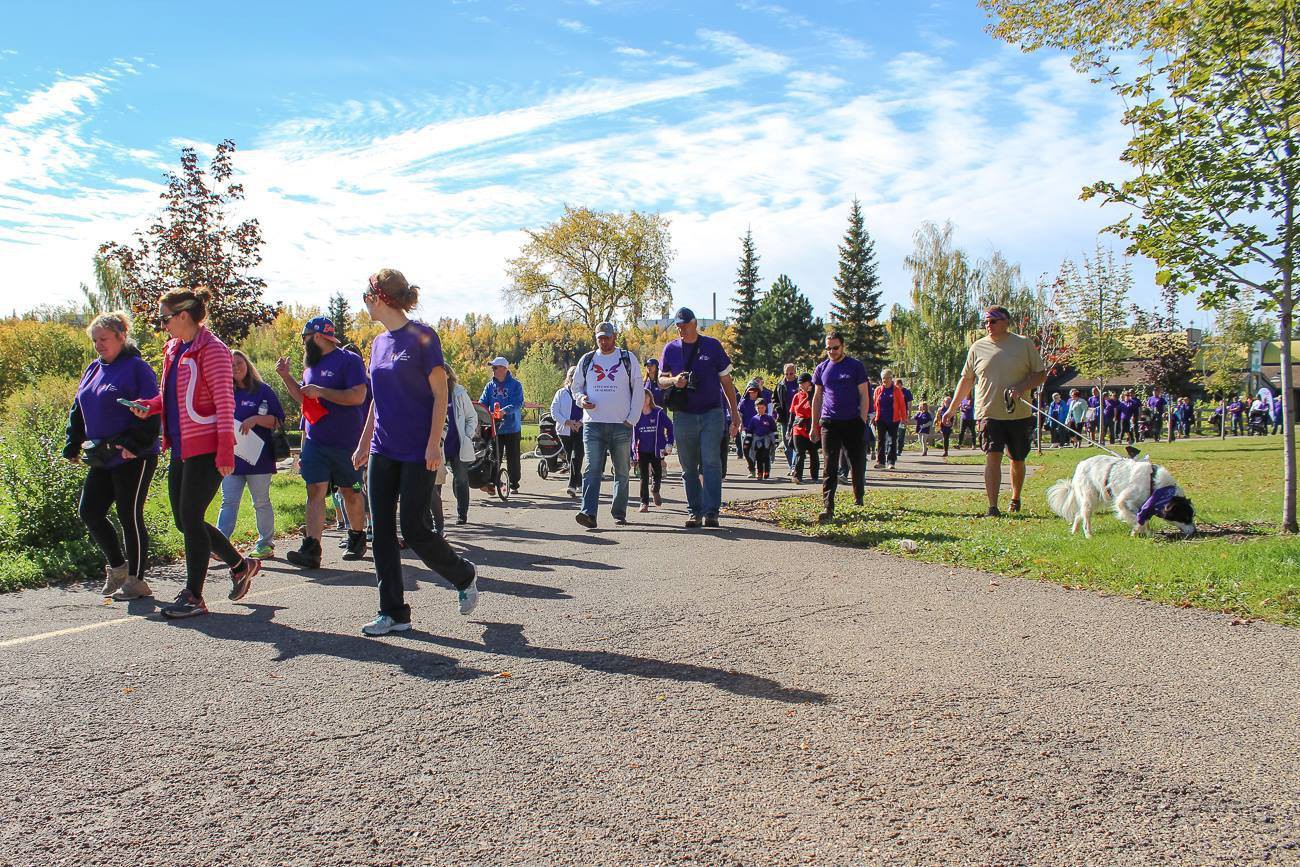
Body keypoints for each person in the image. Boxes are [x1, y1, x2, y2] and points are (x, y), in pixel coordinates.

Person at [352, 269, 479, 636]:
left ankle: (463, 573)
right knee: (382, 532)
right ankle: (393, 612)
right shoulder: (377, 344)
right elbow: (378, 400)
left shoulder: (423, 337)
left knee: (415, 528)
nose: (364, 301)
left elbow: (441, 393)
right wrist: (364, 441)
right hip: (382, 449)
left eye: (367, 294)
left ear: (380, 298)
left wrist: (433, 441)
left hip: (418, 450)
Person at [134, 287, 261, 618]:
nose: (162, 325)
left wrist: (225, 452)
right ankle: (239, 564)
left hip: (207, 446)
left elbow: (224, 402)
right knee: (183, 520)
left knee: (190, 518)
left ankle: (194, 596)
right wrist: (149, 407)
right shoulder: (174, 348)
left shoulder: (213, 350)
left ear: (183, 316)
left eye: (165, 318)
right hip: (181, 445)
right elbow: (170, 396)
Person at [64, 311, 161, 600]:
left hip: (133, 454)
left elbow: (152, 408)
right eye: (95, 340)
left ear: (121, 336)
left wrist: (136, 443)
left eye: (104, 339)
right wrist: (73, 442)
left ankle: (137, 580)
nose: (99, 345)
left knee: (129, 515)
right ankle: (118, 568)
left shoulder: (136, 368)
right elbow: (78, 407)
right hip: (102, 454)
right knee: (90, 511)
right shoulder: (93, 368)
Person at [275, 317, 369, 568]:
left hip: (346, 440)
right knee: (314, 491)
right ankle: (311, 548)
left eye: (304, 338)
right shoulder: (311, 365)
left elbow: (358, 396)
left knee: (349, 491)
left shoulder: (349, 360)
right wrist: (286, 377)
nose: (303, 343)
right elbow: (305, 398)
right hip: (315, 439)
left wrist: (323, 391)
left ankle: (357, 536)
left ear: (316, 337)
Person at [942, 306, 1046, 516]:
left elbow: (1040, 375)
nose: (988, 326)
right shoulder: (977, 347)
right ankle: (993, 506)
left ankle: (1015, 497)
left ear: (1006, 322)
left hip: (1018, 413)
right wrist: (951, 409)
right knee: (993, 456)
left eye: (993, 321)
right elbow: (967, 380)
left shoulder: (1023, 344)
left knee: (1017, 459)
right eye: (986, 322)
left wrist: (1022, 387)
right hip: (988, 412)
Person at [658, 307, 739, 529]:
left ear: (694, 324)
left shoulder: (712, 346)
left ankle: (712, 512)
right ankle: (694, 511)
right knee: (688, 467)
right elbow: (660, 381)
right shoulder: (671, 349)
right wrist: (675, 380)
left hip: (712, 413)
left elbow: (727, 382)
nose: (681, 330)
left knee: (711, 462)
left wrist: (735, 413)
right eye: (678, 326)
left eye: (684, 325)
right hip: (683, 416)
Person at [572, 321, 642, 528]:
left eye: (607, 337)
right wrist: (581, 399)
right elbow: (576, 387)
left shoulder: (627, 358)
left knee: (621, 471)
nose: (604, 341)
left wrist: (632, 419)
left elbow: (638, 389)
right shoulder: (587, 360)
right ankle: (588, 513)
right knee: (591, 468)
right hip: (593, 424)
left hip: (621, 424)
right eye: (600, 338)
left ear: (614, 337)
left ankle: (619, 512)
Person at [216, 350, 284, 559]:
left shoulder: (263, 391)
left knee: (261, 501)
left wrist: (255, 420)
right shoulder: (224, 392)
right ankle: (220, 544)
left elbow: (278, 420)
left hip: (259, 458)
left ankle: (265, 544)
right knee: (228, 500)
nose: (235, 367)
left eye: (239, 363)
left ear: (247, 364)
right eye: (231, 364)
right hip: (232, 459)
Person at [811, 332, 871, 523]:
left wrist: (862, 421)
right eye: (828, 348)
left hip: (852, 421)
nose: (831, 351)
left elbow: (864, 395)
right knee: (830, 464)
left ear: (843, 346)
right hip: (829, 422)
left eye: (835, 348)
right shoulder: (822, 368)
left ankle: (858, 496)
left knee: (857, 462)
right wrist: (814, 424)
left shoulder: (855, 366)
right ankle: (828, 507)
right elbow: (817, 397)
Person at [481, 357, 525, 494]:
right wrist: (480, 412)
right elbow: (483, 402)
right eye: (492, 368)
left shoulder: (515, 385)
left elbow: (518, 403)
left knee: (513, 457)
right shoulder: (489, 386)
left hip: (512, 427)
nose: (492, 370)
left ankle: (514, 483)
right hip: (495, 427)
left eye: (495, 367)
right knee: (494, 456)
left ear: (503, 369)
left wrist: (504, 411)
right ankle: (494, 482)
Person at [442, 364, 477, 526]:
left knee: (461, 479)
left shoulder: (459, 393)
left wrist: (467, 435)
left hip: (457, 444)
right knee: (435, 482)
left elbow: (472, 417)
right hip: (439, 445)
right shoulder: (429, 392)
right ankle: (436, 519)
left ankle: (462, 514)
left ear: (449, 374)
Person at [632, 388, 673, 512]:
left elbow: (670, 427)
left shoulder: (659, 413)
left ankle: (655, 490)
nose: (644, 400)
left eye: (646, 397)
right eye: (641, 398)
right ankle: (644, 503)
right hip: (642, 450)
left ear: (650, 398)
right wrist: (632, 453)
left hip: (657, 450)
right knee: (643, 477)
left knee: (658, 474)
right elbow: (634, 436)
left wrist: (669, 443)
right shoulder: (636, 415)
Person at [550, 366, 584, 498]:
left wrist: (579, 422)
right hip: (564, 431)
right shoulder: (561, 393)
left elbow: (589, 410)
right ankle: (580, 482)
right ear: (568, 378)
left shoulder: (584, 392)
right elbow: (554, 411)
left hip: (580, 429)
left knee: (577, 457)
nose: (573, 378)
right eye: (571, 376)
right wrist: (567, 422)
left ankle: (572, 486)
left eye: (576, 376)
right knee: (571, 459)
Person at [872, 368, 906, 470]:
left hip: (893, 419)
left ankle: (891, 462)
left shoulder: (897, 390)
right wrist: (873, 416)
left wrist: (904, 418)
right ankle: (881, 462)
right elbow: (874, 404)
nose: (885, 381)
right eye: (883, 379)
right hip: (881, 418)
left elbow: (902, 405)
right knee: (881, 440)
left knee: (892, 441)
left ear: (891, 379)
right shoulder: (878, 390)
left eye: (887, 378)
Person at [789, 373, 819, 483]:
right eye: (800, 383)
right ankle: (797, 476)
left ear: (810, 382)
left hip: (811, 427)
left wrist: (810, 394)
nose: (801, 385)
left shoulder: (816, 395)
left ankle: (814, 476)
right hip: (798, 427)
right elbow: (792, 413)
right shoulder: (797, 396)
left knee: (813, 452)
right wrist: (789, 428)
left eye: (803, 383)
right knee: (799, 453)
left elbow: (816, 409)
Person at [773, 363, 800, 475]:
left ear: (795, 372)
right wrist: (778, 408)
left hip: (798, 418)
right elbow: (774, 398)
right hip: (784, 418)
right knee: (787, 444)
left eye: (791, 373)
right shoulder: (780, 384)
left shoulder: (800, 383)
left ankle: (795, 467)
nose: (789, 376)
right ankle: (791, 466)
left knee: (796, 444)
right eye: (786, 373)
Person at [745, 396, 778, 480]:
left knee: (766, 457)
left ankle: (766, 472)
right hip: (757, 441)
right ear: (755, 408)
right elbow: (750, 431)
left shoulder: (769, 418)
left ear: (765, 408)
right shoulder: (754, 419)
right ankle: (759, 473)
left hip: (767, 440)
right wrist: (748, 441)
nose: (760, 409)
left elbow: (774, 430)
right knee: (759, 457)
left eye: (762, 408)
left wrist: (776, 441)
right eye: (758, 408)